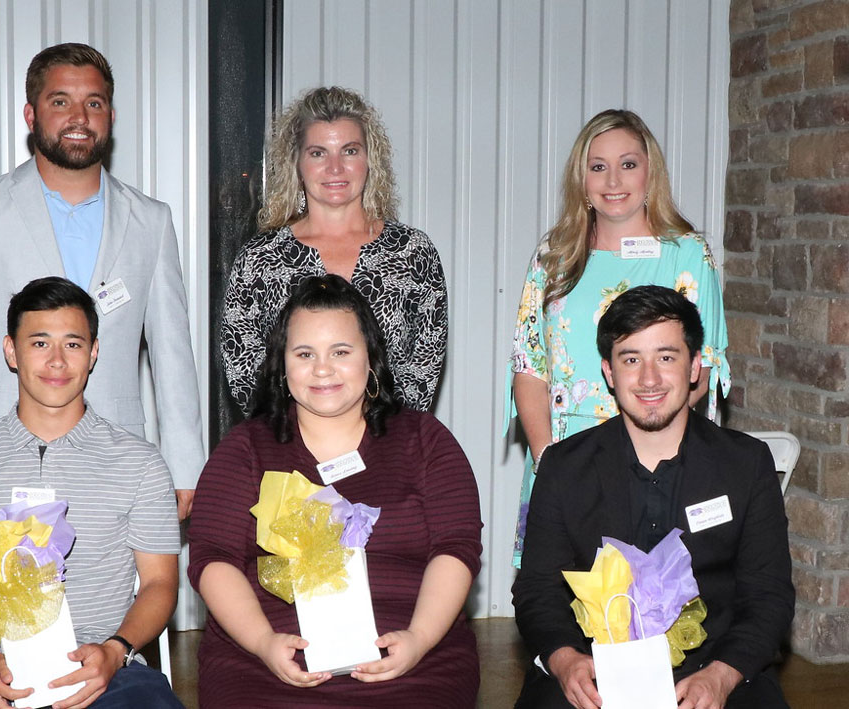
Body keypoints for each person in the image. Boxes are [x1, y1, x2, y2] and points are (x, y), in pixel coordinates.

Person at [0, 42, 203, 520]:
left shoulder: (151, 220)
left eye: (94, 103)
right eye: (60, 101)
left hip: (117, 462)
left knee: (119, 595)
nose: (79, 117)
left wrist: (185, 464)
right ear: (32, 114)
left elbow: (173, 354)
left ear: (110, 114)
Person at [189, 275, 481, 707]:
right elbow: (212, 559)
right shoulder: (244, 448)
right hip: (267, 662)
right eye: (304, 353)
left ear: (370, 359)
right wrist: (265, 643)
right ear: (282, 364)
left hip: (409, 658)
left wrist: (418, 639)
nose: (322, 368)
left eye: (340, 352)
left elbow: (456, 548)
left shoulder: (426, 440)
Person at [0, 277, 182, 708]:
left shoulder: (139, 463)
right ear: (11, 351)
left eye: (72, 344)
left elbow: (160, 583)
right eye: (40, 343)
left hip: (105, 671)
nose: (57, 361)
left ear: (94, 352)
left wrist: (115, 650)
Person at [513, 285, 794, 709]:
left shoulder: (746, 465)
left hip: (714, 667)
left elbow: (768, 597)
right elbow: (538, 591)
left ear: (695, 366)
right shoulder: (563, 467)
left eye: (666, 357)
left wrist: (721, 676)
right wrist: (566, 660)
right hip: (593, 669)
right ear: (609, 372)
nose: (649, 379)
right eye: (631, 360)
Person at [507, 109, 730, 566]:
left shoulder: (687, 255)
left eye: (628, 163)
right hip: (564, 457)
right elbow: (530, 368)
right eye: (598, 166)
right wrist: (549, 463)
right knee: (556, 615)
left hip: (656, 461)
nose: (613, 179)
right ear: (581, 180)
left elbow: (700, 372)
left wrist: (641, 460)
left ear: (651, 173)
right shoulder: (553, 257)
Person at [221, 86, 448, 415]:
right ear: (296, 163)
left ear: (370, 160)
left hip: (388, 452)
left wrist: (383, 447)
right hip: (288, 453)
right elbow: (245, 374)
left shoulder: (413, 254)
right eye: (318, 153)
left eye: (350, 151)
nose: (335, 167)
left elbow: (422, 373)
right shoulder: (260, 260)